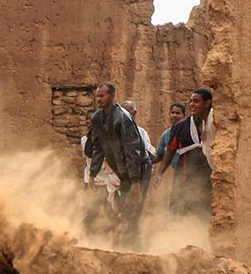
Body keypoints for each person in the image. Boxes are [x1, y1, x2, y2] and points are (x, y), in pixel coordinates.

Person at [88, 83, 148, 235]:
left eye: (102, 96)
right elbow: (98, 147)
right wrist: (92, 174)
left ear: (112, 96)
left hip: (139, 168)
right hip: (122, 171)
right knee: (124, 206)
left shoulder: (122, 118)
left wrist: (135, 181)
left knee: (134, 208)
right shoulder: (97, 117)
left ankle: (133, 247)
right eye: (97, 96)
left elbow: (132, 149)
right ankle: (126, 241)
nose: (99, 99)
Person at [157, 88, 215, 220]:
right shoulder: (181, 127)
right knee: (180, 203)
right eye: (190, 101)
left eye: (196, 101)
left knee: (205, 204)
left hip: (208, 172)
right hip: (185, 172)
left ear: (207, 103)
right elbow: (170, 151)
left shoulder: (215, 122)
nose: (191, 104)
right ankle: (178, 235)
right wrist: (160, 173)